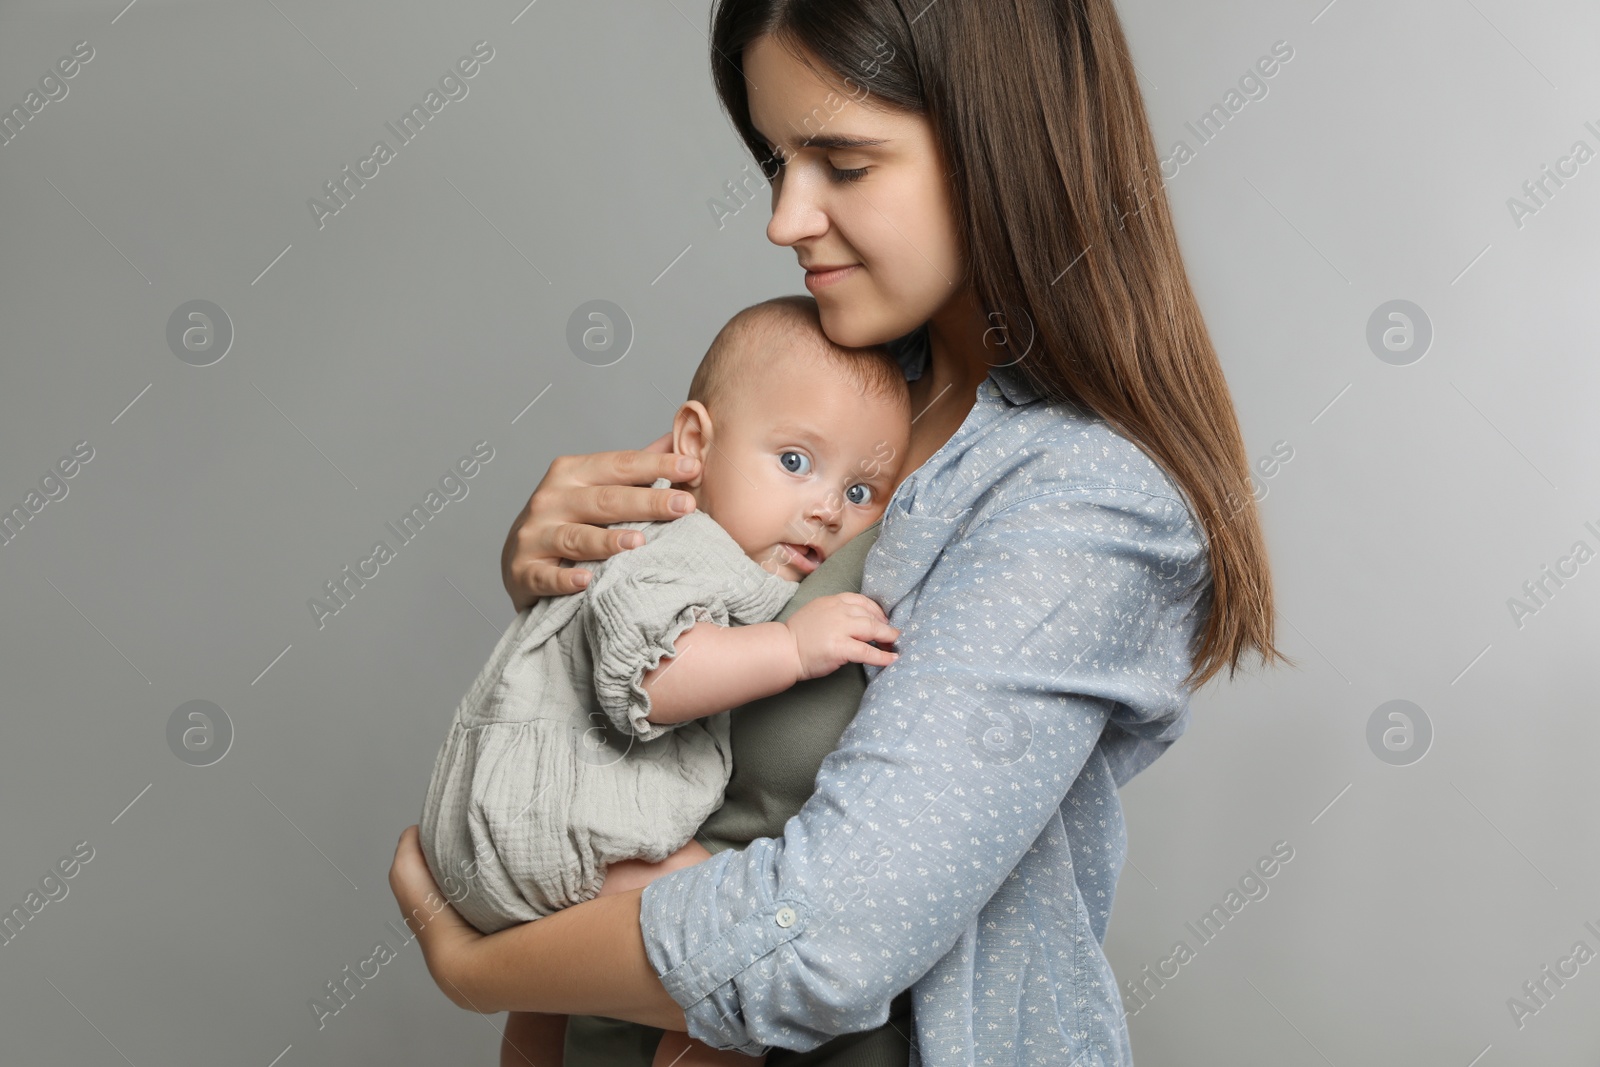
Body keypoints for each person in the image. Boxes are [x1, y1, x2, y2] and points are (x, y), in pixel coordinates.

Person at [389, 1, 1288, 1063]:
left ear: (998, 146)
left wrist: (476, 961)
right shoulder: (832, 398)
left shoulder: (1090, 502)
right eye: (776, 159)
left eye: (842, 163)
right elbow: (646, 712)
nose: (783, 217)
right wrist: (566, 588)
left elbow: (826, 938)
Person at [415, 294, 914, 1067]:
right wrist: (790, 645)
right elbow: (649, 676)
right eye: (794, 462)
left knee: (556, 1003)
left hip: (498, 841)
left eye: (858, 494)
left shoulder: (718, 553)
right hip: (534, 827)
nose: (823, 509)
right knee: (732, 925)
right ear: (694, 443)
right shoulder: (688, 548)